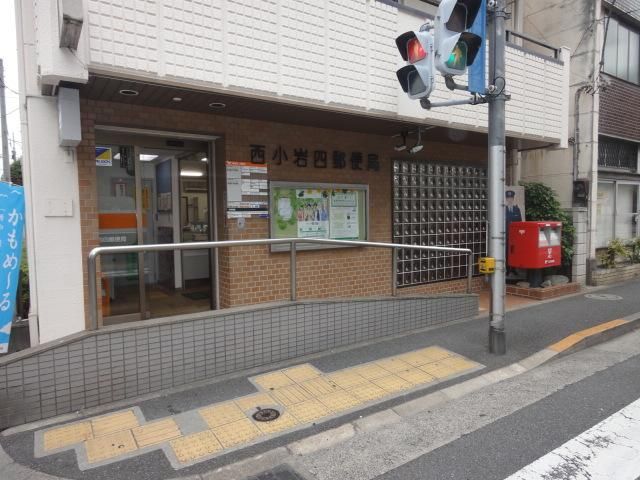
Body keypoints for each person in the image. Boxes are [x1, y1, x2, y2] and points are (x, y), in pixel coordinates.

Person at [505, 190, 522, 276]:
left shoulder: (517, 209)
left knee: (514, 251)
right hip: (507, 234)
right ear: (506, 199)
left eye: (511, 198)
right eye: (508, 198)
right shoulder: (503, 209)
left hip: (515, 235)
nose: (510, 199)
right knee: (507, 252)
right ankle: (508, 269)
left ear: (513, 198)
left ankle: (514, 268)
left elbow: (520, 222)